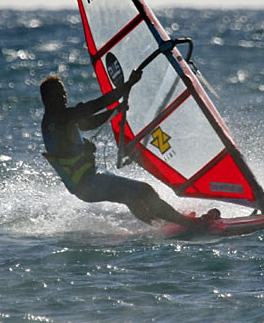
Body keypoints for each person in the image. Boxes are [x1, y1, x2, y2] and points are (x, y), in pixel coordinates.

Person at [39, 73, 219, 231]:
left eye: (63, 93)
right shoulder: (57, 117)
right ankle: (191, 225)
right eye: (56, 94)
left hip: (87, 182)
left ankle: (161, 224)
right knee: (144, 191)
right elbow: (92, 107)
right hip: (89, 183)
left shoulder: (58, 120)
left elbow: (89, 123)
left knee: (131, 198)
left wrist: (115, 110)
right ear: (46, 99)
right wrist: (127, 86)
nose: (62, 97)